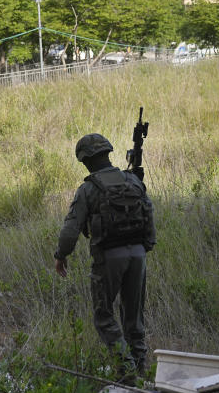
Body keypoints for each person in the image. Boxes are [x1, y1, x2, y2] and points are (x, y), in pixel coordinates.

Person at [53, 133, 156, 379]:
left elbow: (71, 228)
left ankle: (127, 370)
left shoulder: (88, 189)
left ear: (85, 160)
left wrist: (61, 255)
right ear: (107, 153)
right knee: (134, 316)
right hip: (138, 255)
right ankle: (141, 369)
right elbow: (149, 211)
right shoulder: (132, 180)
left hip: (109, 257)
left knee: (103, 316)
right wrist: (146, 246)